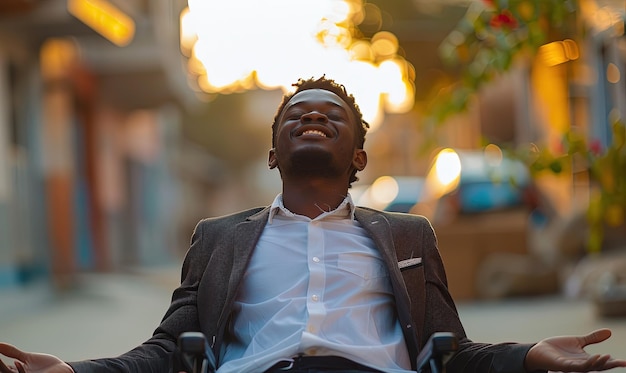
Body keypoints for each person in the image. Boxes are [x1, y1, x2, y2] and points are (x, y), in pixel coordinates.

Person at [1, 76, 625, 373]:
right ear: (273, 152)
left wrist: (531, 357)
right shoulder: (218, 238)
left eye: (332, 115)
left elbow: (453, 353)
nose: (311, 118)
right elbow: (167, 351)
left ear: (358, 156)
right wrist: (74, 372)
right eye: (295, 115)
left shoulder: (408, 236)